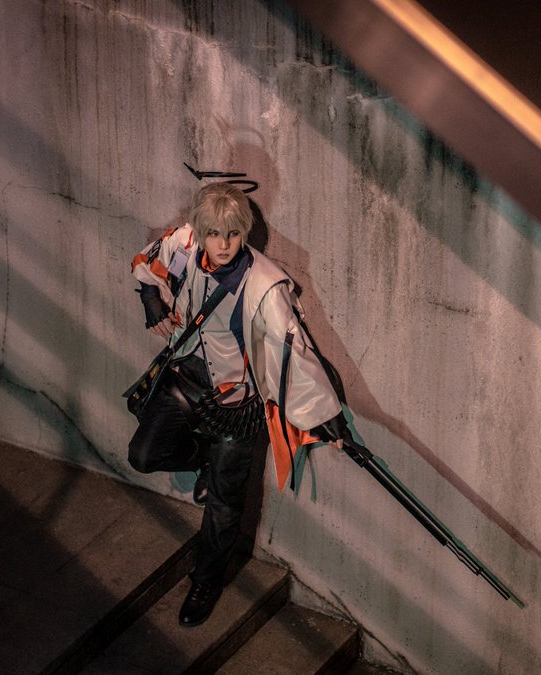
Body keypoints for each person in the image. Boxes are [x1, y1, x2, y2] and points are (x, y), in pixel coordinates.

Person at [127, 181, 353, 626]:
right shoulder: (185, 243)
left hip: (238, 402)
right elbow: (146, 259)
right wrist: (150, 298)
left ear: (243, 232)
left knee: (225, 503)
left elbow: (295, 352)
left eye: (232, 233)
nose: (224, 244)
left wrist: (329, 420)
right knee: (143, 455)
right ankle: (204, 461)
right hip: (186, 379)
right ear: (200, 230)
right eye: (214, 233)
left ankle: (205, 581)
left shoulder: (266, 286)